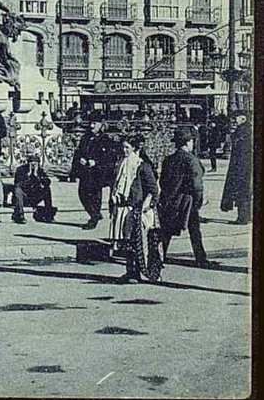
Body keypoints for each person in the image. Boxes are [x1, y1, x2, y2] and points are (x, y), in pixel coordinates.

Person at [108, 135, 162, 283]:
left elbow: (153, 190)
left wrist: (146, 205)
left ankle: (140, 272)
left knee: (137, 242)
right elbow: (115, 186)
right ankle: (131, 272)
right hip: (122, 208)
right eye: (123, 147)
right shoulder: (120, 164)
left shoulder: (141, 166)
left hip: (137, 210)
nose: (124, 150)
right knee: (126, 243)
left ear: (134, 148)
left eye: (127, 147)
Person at [159, 126, 211, 268]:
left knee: (166, 231)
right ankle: (201, 259)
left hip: (170, 200)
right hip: (188, 201)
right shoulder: (191, 160)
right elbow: (196, 185)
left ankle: (158, 257)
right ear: (188, 142)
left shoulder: (169, 159)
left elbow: (162, 181)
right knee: (194, 230)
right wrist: (199, 201)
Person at [69, 113, 115, 229]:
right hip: (85, 171)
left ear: (100, 125)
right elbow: (79, 152)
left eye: (94, 123)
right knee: (82, 194)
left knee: (95, 195)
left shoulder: (105, 139)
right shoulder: (86, 137)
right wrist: (80, 161)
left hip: (98, 172)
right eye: (91, 123)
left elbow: (109, 157)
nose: (91, 126)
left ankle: (94, 217)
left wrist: (96, 162)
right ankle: (95, 214)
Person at [221, 113, 252, 224]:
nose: (234, 120)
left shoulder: (243, 131)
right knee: (245, 192)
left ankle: (242, 218)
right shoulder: (247, 130)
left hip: (241, 167)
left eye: (236, 118)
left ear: (243, 118)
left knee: (242, 193)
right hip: (246, 167)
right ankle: (246, 217)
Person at [12, 154, 56, 225]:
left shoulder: (40, 171)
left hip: (35, 197)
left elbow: (48, 182)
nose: (33, 165)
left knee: (47, 190)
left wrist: (37, 177)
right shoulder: (21, 170)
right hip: (24, 197)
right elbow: (18, 184)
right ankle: (20, 215)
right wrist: (28, 176)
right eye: (31, 163)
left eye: (35, 163)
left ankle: (49, 215)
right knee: (18, 190)